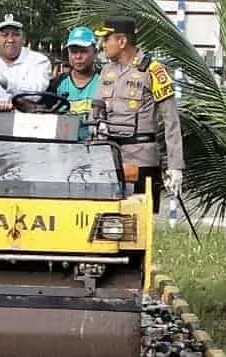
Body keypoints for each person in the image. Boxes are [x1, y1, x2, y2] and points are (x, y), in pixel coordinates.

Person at [91, 17, 183, 213]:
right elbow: (96, 110)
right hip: (109, 157)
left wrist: (175, 166)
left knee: (138, 222)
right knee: (107, 219)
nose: (103, 45)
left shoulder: (153, 70)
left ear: (122, 42)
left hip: (141, 158)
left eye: (107, 39)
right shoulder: (106, 70)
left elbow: (171, 120)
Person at [49, 27, 100, 140]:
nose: (78, 57)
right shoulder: (56, 84)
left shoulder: (104, 82)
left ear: (95, 53)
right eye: (73, 51)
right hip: (63, 148)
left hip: (97, 148)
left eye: (83, 51)